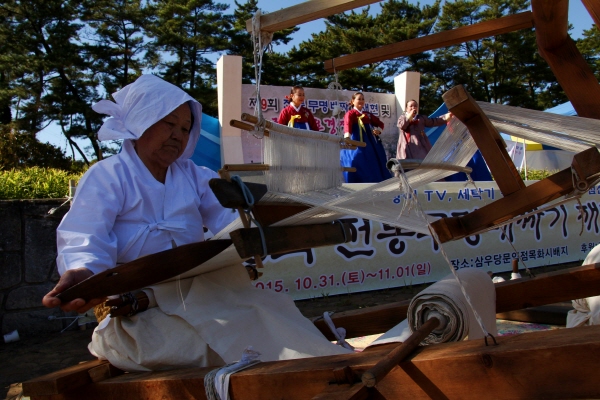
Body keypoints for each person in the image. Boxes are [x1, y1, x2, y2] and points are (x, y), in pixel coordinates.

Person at [42, 75, 350, 372]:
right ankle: (311, 374)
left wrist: (278, 225)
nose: (178, 134)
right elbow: (85, 235)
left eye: (186, 128)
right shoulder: (107, 176)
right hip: (138, 314)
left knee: (271, 311)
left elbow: (230, 221)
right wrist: (83, 273)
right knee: (229, 340)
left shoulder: (194, 176)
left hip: (199, 296)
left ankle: (329, 367)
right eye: (169, 123)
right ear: (141, 119)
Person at [340, 92, 392, 183]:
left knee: (372, 159)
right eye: (358, 99)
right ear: (353, 101)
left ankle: (375, 180)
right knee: (356, 158)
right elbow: (347, 125)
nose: (361, 101)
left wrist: (378, 130)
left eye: (362, 99)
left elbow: (380, 123)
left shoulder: (367, 114)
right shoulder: (351, 113)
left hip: (369, 141)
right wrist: (347, 138)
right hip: (356, 139)